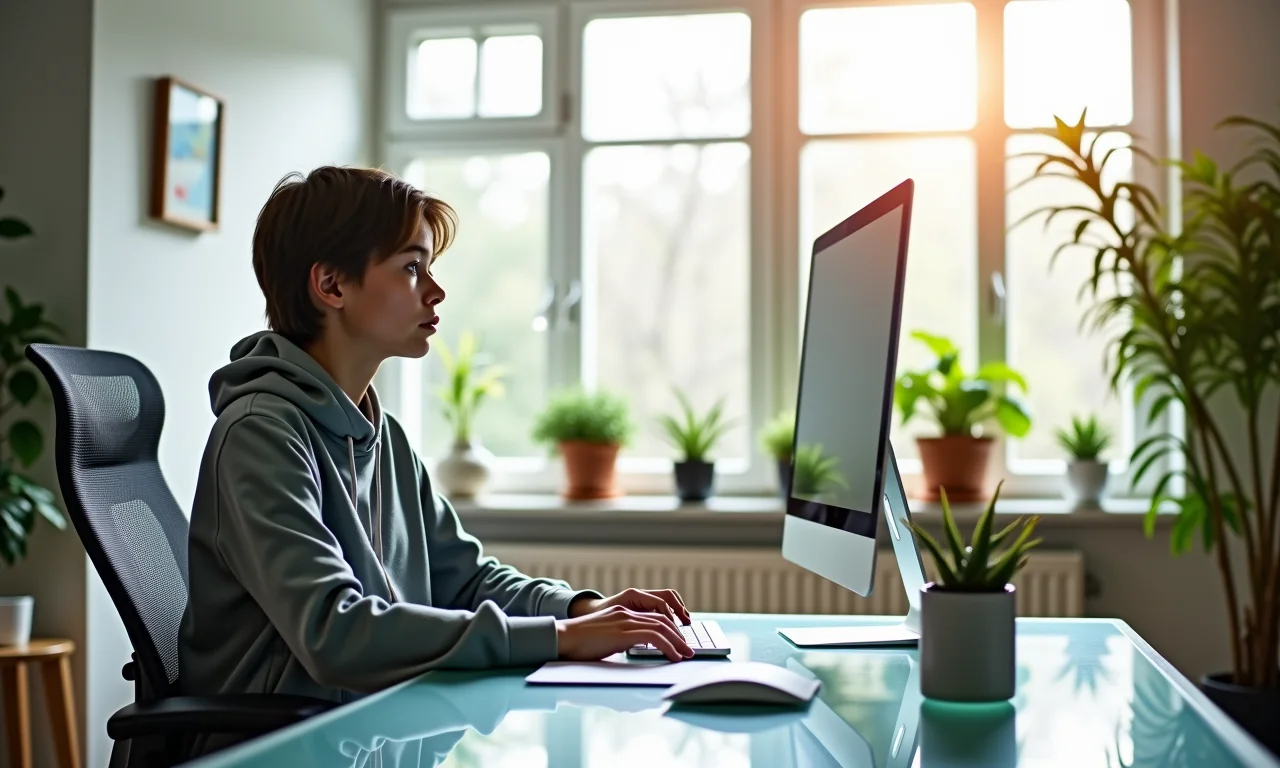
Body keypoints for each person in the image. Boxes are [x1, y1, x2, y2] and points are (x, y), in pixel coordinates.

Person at [178, 166, 694, 756]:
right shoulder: (260, 436)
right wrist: (560, 638)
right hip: (283, 748)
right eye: (411, 267)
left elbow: (465, 579)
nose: (436, 290)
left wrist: (581, 608)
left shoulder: (382, 435)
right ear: (332, 285)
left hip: (369, 734)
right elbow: (334, 632)